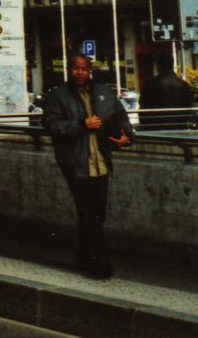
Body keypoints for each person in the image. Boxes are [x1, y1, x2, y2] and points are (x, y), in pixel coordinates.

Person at [40, 55, 134, 280]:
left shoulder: (104, 92)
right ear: (69, 70)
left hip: (101, 162)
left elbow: (121, 118)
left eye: (83, 69)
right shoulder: (57, 96)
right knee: (90, 214)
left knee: (95, 215)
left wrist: (126, 137)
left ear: (89, 70)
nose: (79, 72)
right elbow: (51, 126)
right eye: (75, 68)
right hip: (76, 163)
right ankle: (101, 265)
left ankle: (83, 258)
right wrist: (82, 125)